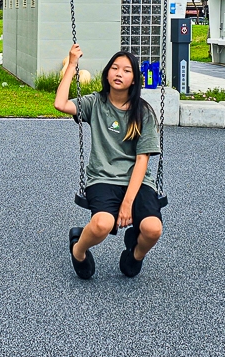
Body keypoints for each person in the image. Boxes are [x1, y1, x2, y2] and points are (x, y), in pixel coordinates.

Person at [53, 45, 163, 279]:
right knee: (102, 224)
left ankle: (135, 254)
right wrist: (71, 65)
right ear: (107, 73)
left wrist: (127, 203)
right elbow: (60, 104)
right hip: (102, 177)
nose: (119, 73)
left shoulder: (143, 112)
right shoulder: (95, 103)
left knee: (153, 229)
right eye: (114, 68)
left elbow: (142, 160)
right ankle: (78, 251)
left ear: (134, 79)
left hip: (137, 181)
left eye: (126, 70)